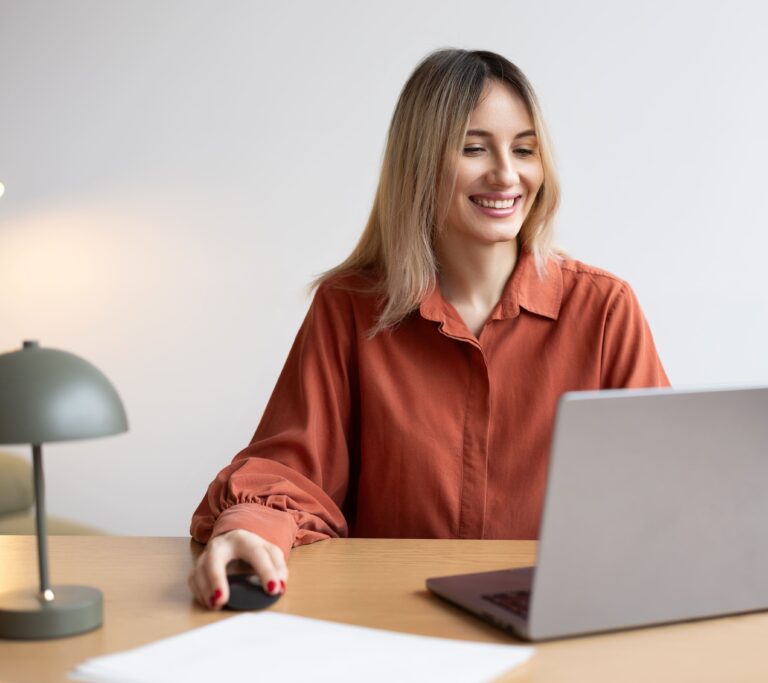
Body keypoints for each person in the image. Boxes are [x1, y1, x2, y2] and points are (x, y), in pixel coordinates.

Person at [188, 48, 669, 610]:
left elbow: (662, 485)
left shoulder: (605, 309)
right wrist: (250, 529)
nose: (506, 174)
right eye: (473, 148)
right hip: (392, 614)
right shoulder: (348, 307)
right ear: (420, 163)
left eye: (524, 150)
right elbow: (293, 466)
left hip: (558, 615)